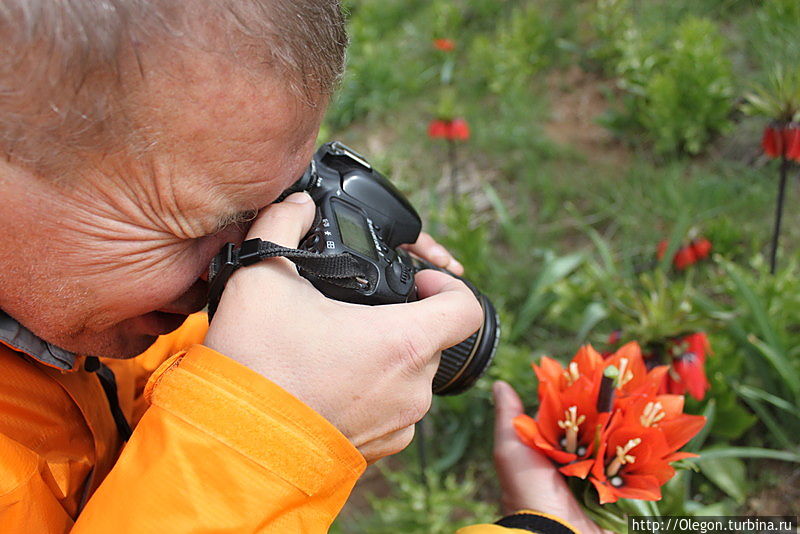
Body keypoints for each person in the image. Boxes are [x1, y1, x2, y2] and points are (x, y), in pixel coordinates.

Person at [0, 1, 601, 532]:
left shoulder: (66, 303)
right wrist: (258, 439)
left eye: (282, 200)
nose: (236, 267)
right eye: (197, 224)